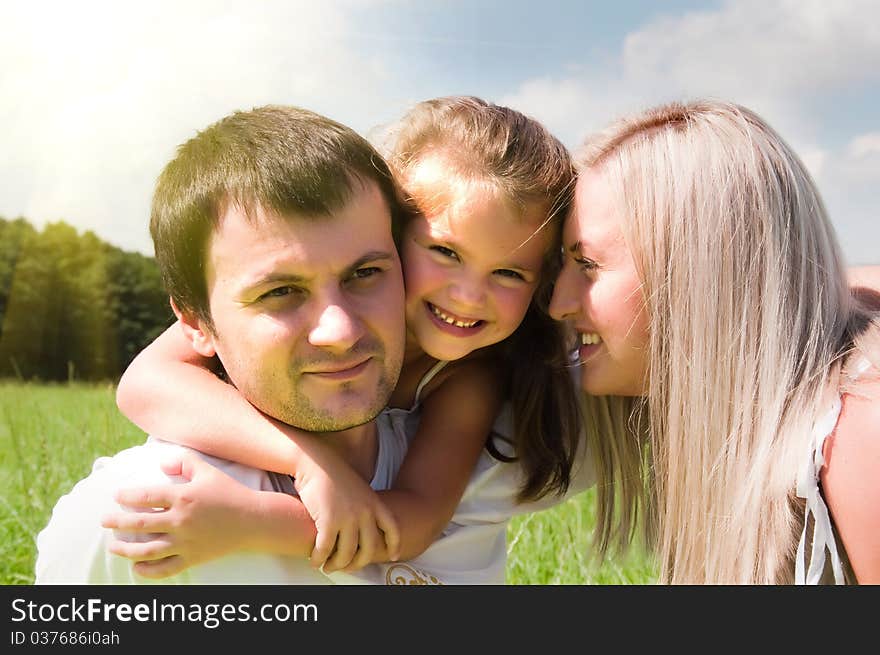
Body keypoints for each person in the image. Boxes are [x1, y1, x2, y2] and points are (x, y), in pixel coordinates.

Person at [99, 96, 590, 584]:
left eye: (508, 272)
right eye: (444, 251)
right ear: (392, 231)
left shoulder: (468, 378)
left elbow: (414, 520)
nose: (467, 296)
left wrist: (252, 521)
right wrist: (306, 461)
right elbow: (145, 381)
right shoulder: (332, 296)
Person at [34, 104, 412, 583]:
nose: (340, 331)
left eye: (365, 274)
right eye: (280, 292)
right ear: (196, 323)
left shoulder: (465, 454)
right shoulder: (140, 517)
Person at [549, 98, 880, 584]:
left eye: (588, 265)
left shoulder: (858, 434)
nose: (558, 303)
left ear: (696, 275)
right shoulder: (720, 418)